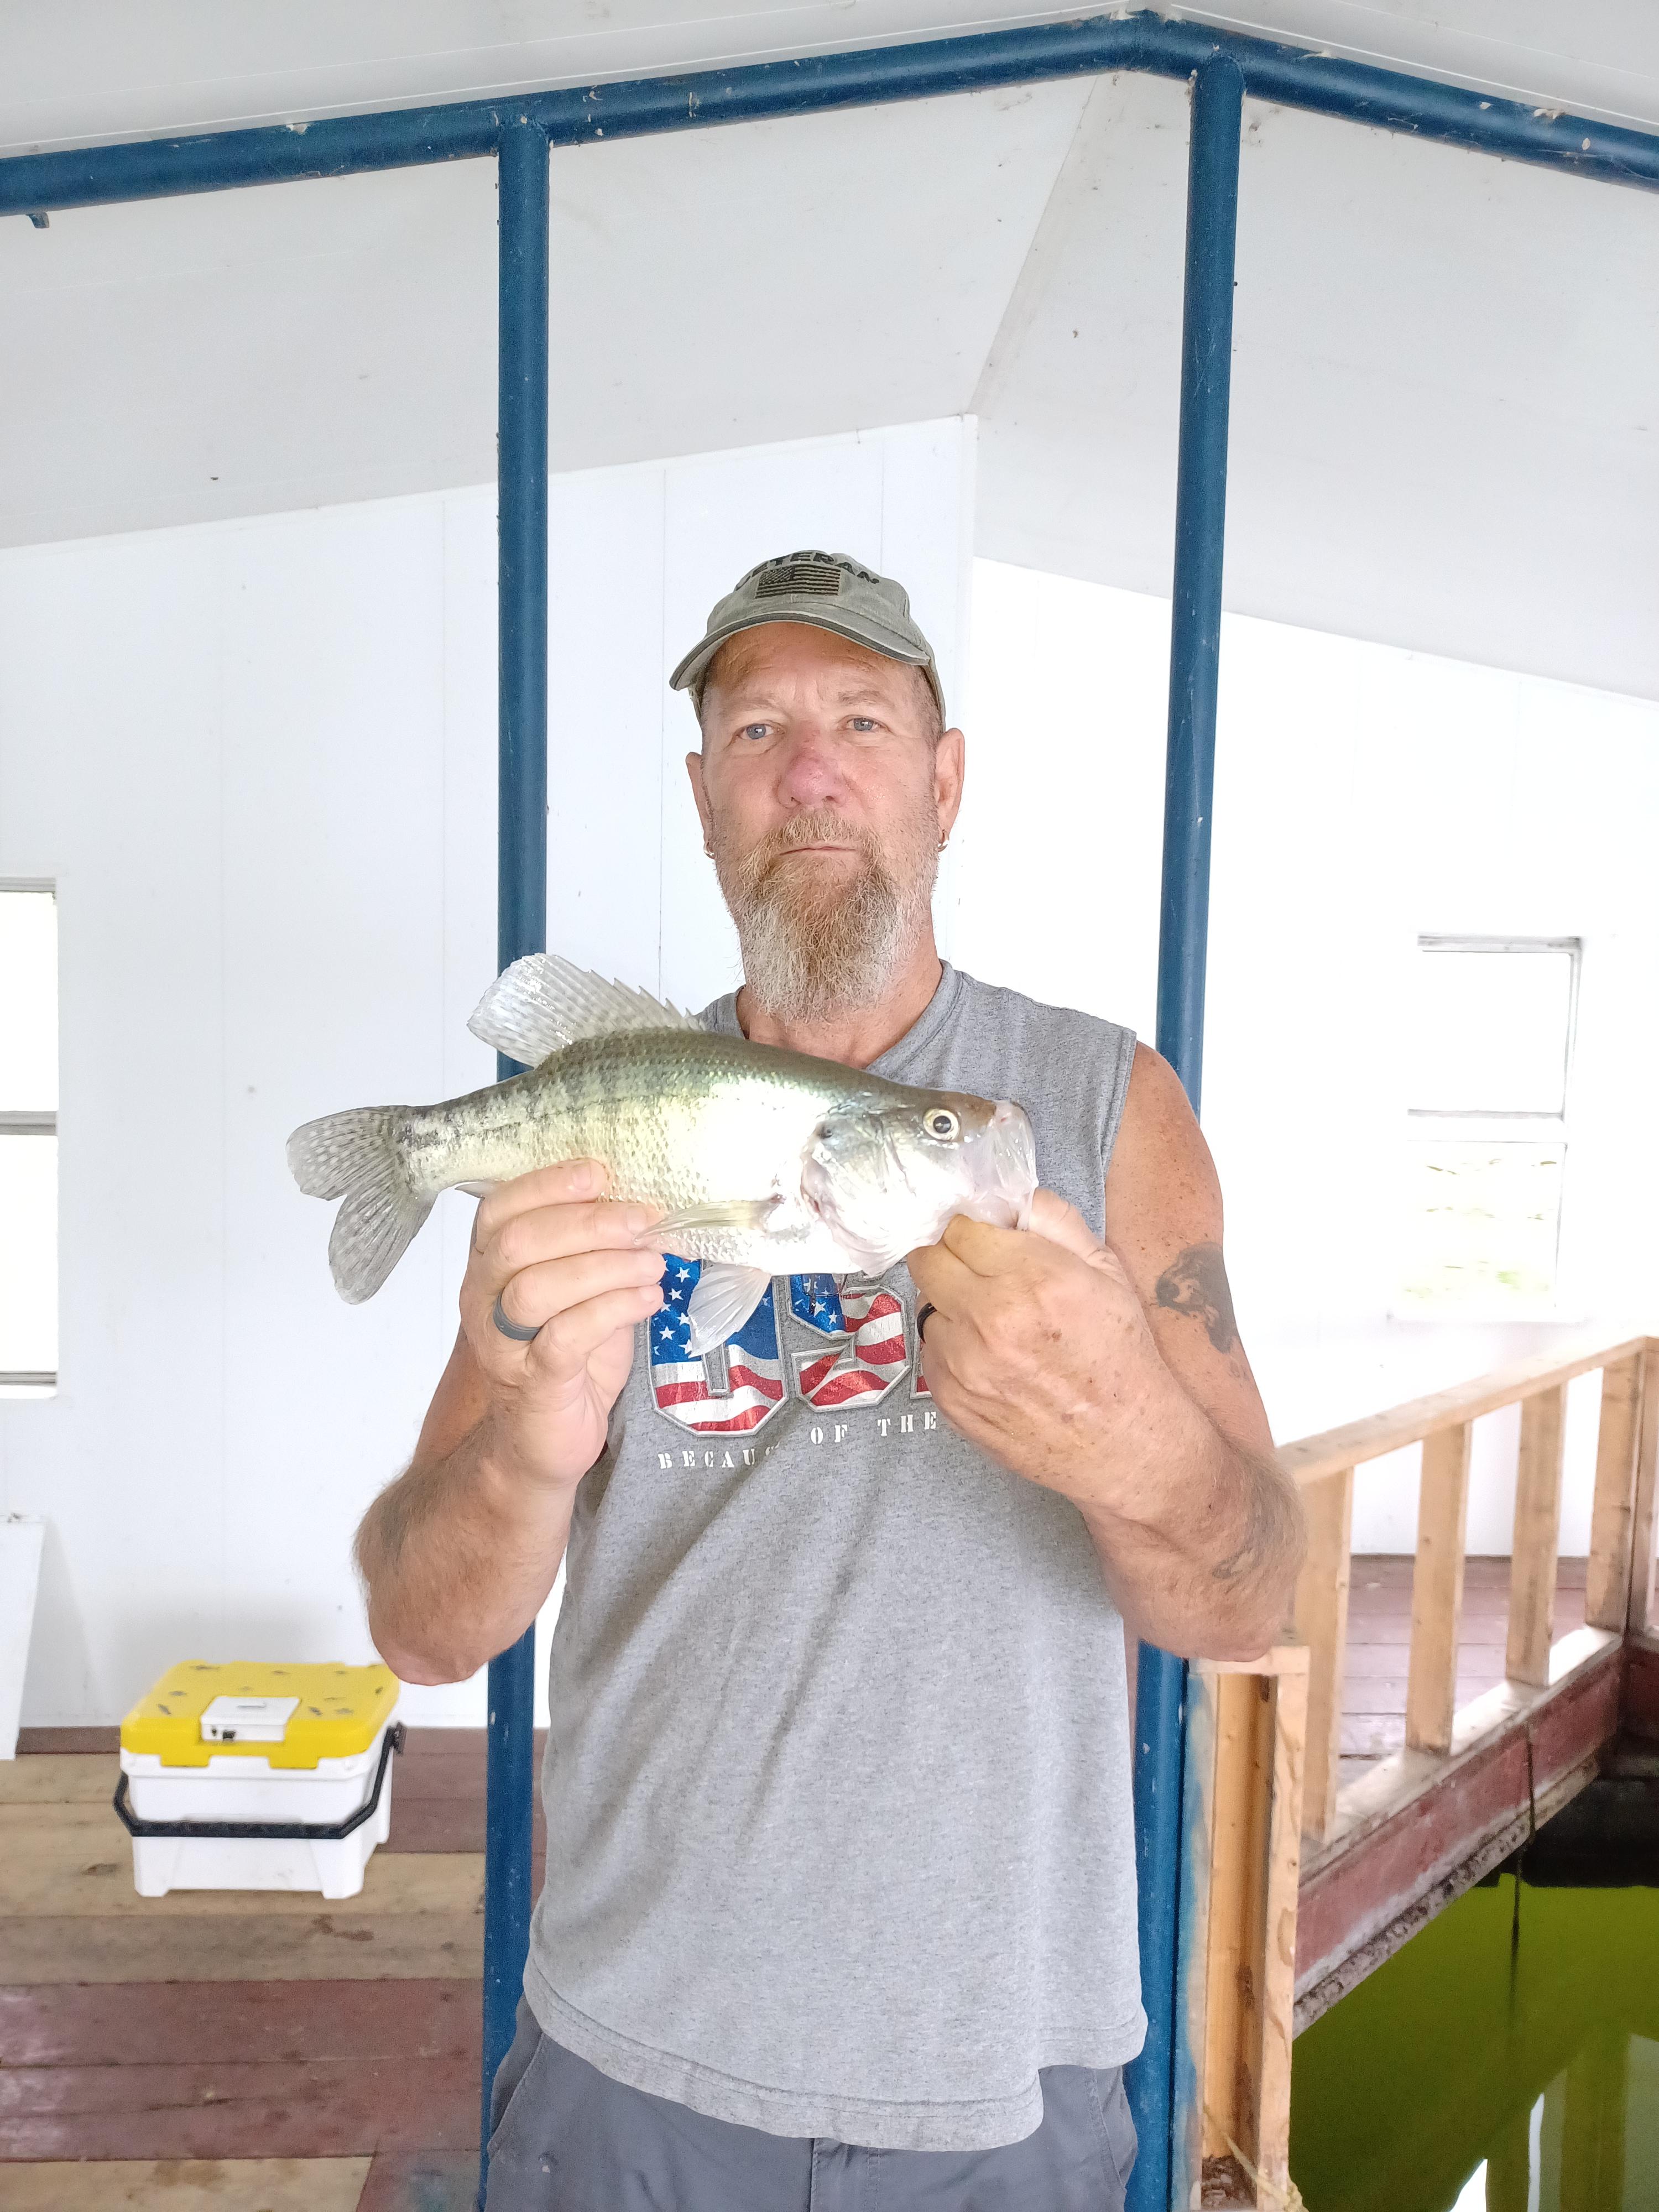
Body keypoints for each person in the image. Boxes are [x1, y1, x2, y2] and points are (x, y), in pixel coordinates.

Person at [355, 549, 1306, 2211]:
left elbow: (1250, 1601)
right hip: (633, 2057)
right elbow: (422, 1629)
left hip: (1001, 2079)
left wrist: (1131, 1439)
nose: (810, 772)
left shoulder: (1100, 1106)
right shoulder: (602, 1128)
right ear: (704, 801)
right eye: (757, 732)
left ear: (947, 781)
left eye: (864, 721)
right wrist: (523, 1448)